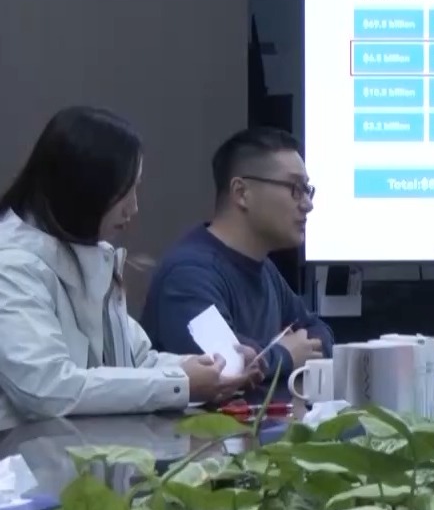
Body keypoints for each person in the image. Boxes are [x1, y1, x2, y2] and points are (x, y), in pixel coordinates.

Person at [0, 107, 248, 430]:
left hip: (71, 449)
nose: (133, 208)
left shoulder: (92, 260)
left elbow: (136, 362)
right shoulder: (5, 270)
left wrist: (205, 369)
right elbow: (49, 390)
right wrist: (179, 384)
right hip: (6, 456)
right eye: (124, 192)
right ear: (84, 189)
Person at [141, 128, 333, 392]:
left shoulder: (264, 268)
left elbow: (319, 331)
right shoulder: (189, 273)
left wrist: (279, 352)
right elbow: (225, 367)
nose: (308, 204)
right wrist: (285, 355)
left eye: (307, 190)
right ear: (241, 192)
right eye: (295, 189)